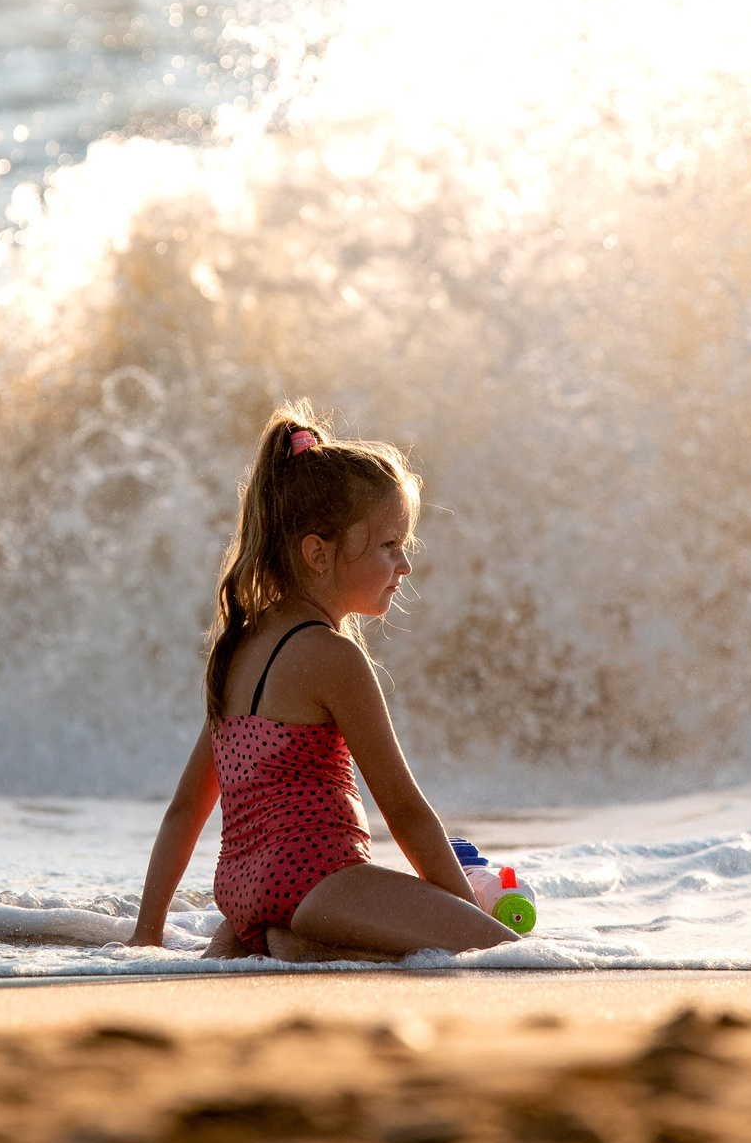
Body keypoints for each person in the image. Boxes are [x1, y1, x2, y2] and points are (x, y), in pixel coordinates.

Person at [128, 402, 519, 963]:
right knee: (502, 953)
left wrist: (148, 934)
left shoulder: (241, 645)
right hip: (319, 879)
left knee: (375, 951)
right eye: (389, 546)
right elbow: (403, 808)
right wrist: (465, 916)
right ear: (319, 553)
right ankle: (297, 940)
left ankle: (284, 943)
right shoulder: (334, 657)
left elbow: (185, 808)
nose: (404, 566)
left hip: (243, 892)